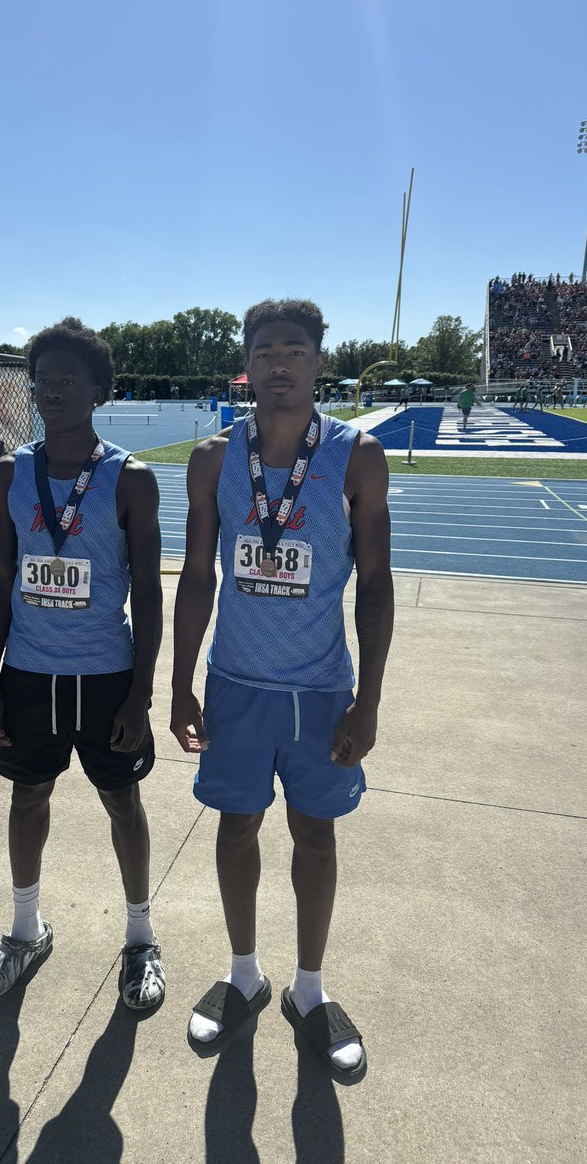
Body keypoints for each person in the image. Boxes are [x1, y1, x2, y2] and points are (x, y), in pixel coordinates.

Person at [170, 299, 393, 1081]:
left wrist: (369, 699)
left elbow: (375, 583)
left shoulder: (357, 456)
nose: (279, 364)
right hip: (235, 684)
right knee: (236, 829)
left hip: (320, 689)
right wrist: (179, 683)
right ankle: (244, 977)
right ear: (247, 364)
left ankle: (309, 989)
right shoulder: (213, 459)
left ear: (319, 363)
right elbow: (197, 576)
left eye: (295, 350)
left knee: (315, 837)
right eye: (265, 351)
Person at [0, 318, 166, 1011]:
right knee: (27, 797)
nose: (52, 390)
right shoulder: (8, 473)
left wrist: (141, 693)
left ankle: (141, 939)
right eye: (43, 379)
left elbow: (149, 592)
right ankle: (25, 931)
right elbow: (0, 579)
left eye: (68, 379)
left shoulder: (129, 480)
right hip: (29, 674)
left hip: (105, 675)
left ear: (98, 391)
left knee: (122, 802)